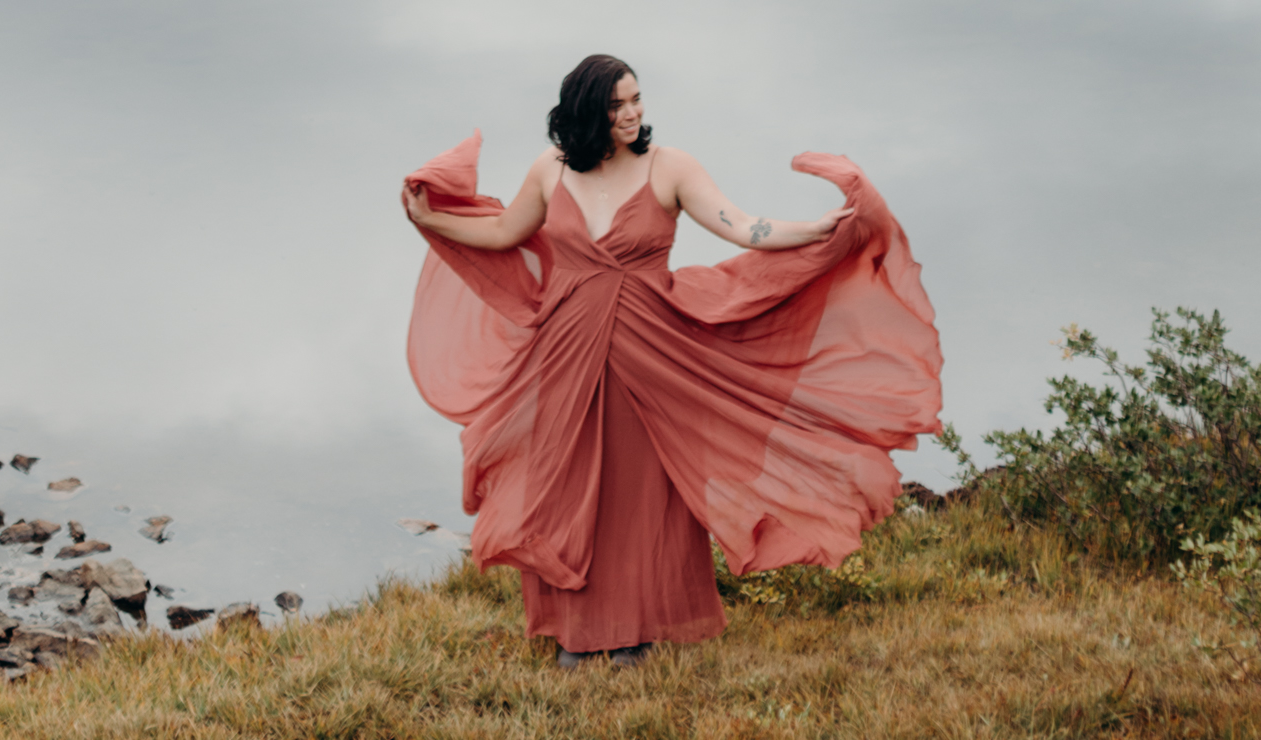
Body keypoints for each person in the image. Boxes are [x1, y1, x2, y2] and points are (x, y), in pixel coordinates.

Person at [400, 52, 942, 666]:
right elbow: (502, 235)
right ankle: (575, 633)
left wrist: (816, 230)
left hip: (651, 349)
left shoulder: (670, 167)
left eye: (636, 100)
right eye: (616, 105)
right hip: (566, 349)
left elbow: (742, 227)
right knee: (567, 482)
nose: (631, 114)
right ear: (585, 110)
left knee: (640, 491)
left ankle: (635, 631)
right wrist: (433, 219)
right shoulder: (550, 171)